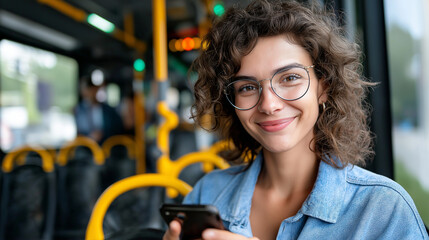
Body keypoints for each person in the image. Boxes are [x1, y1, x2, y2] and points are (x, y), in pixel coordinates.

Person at [163, 0, 429, 239]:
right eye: (246, 87)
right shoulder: (207, 192)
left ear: (323, 87)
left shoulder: (383, 210)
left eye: (289, 78)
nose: (269, 104)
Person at [74, 76, 124, 144]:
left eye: (92, 89)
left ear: (96, 90)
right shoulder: (78, 110)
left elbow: (117, 130)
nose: (88, 93)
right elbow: (78, 133)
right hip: (85, 149)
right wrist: (90, 137)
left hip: (107, 147)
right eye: (86, 89)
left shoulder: (109, 111)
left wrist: (102, 134)